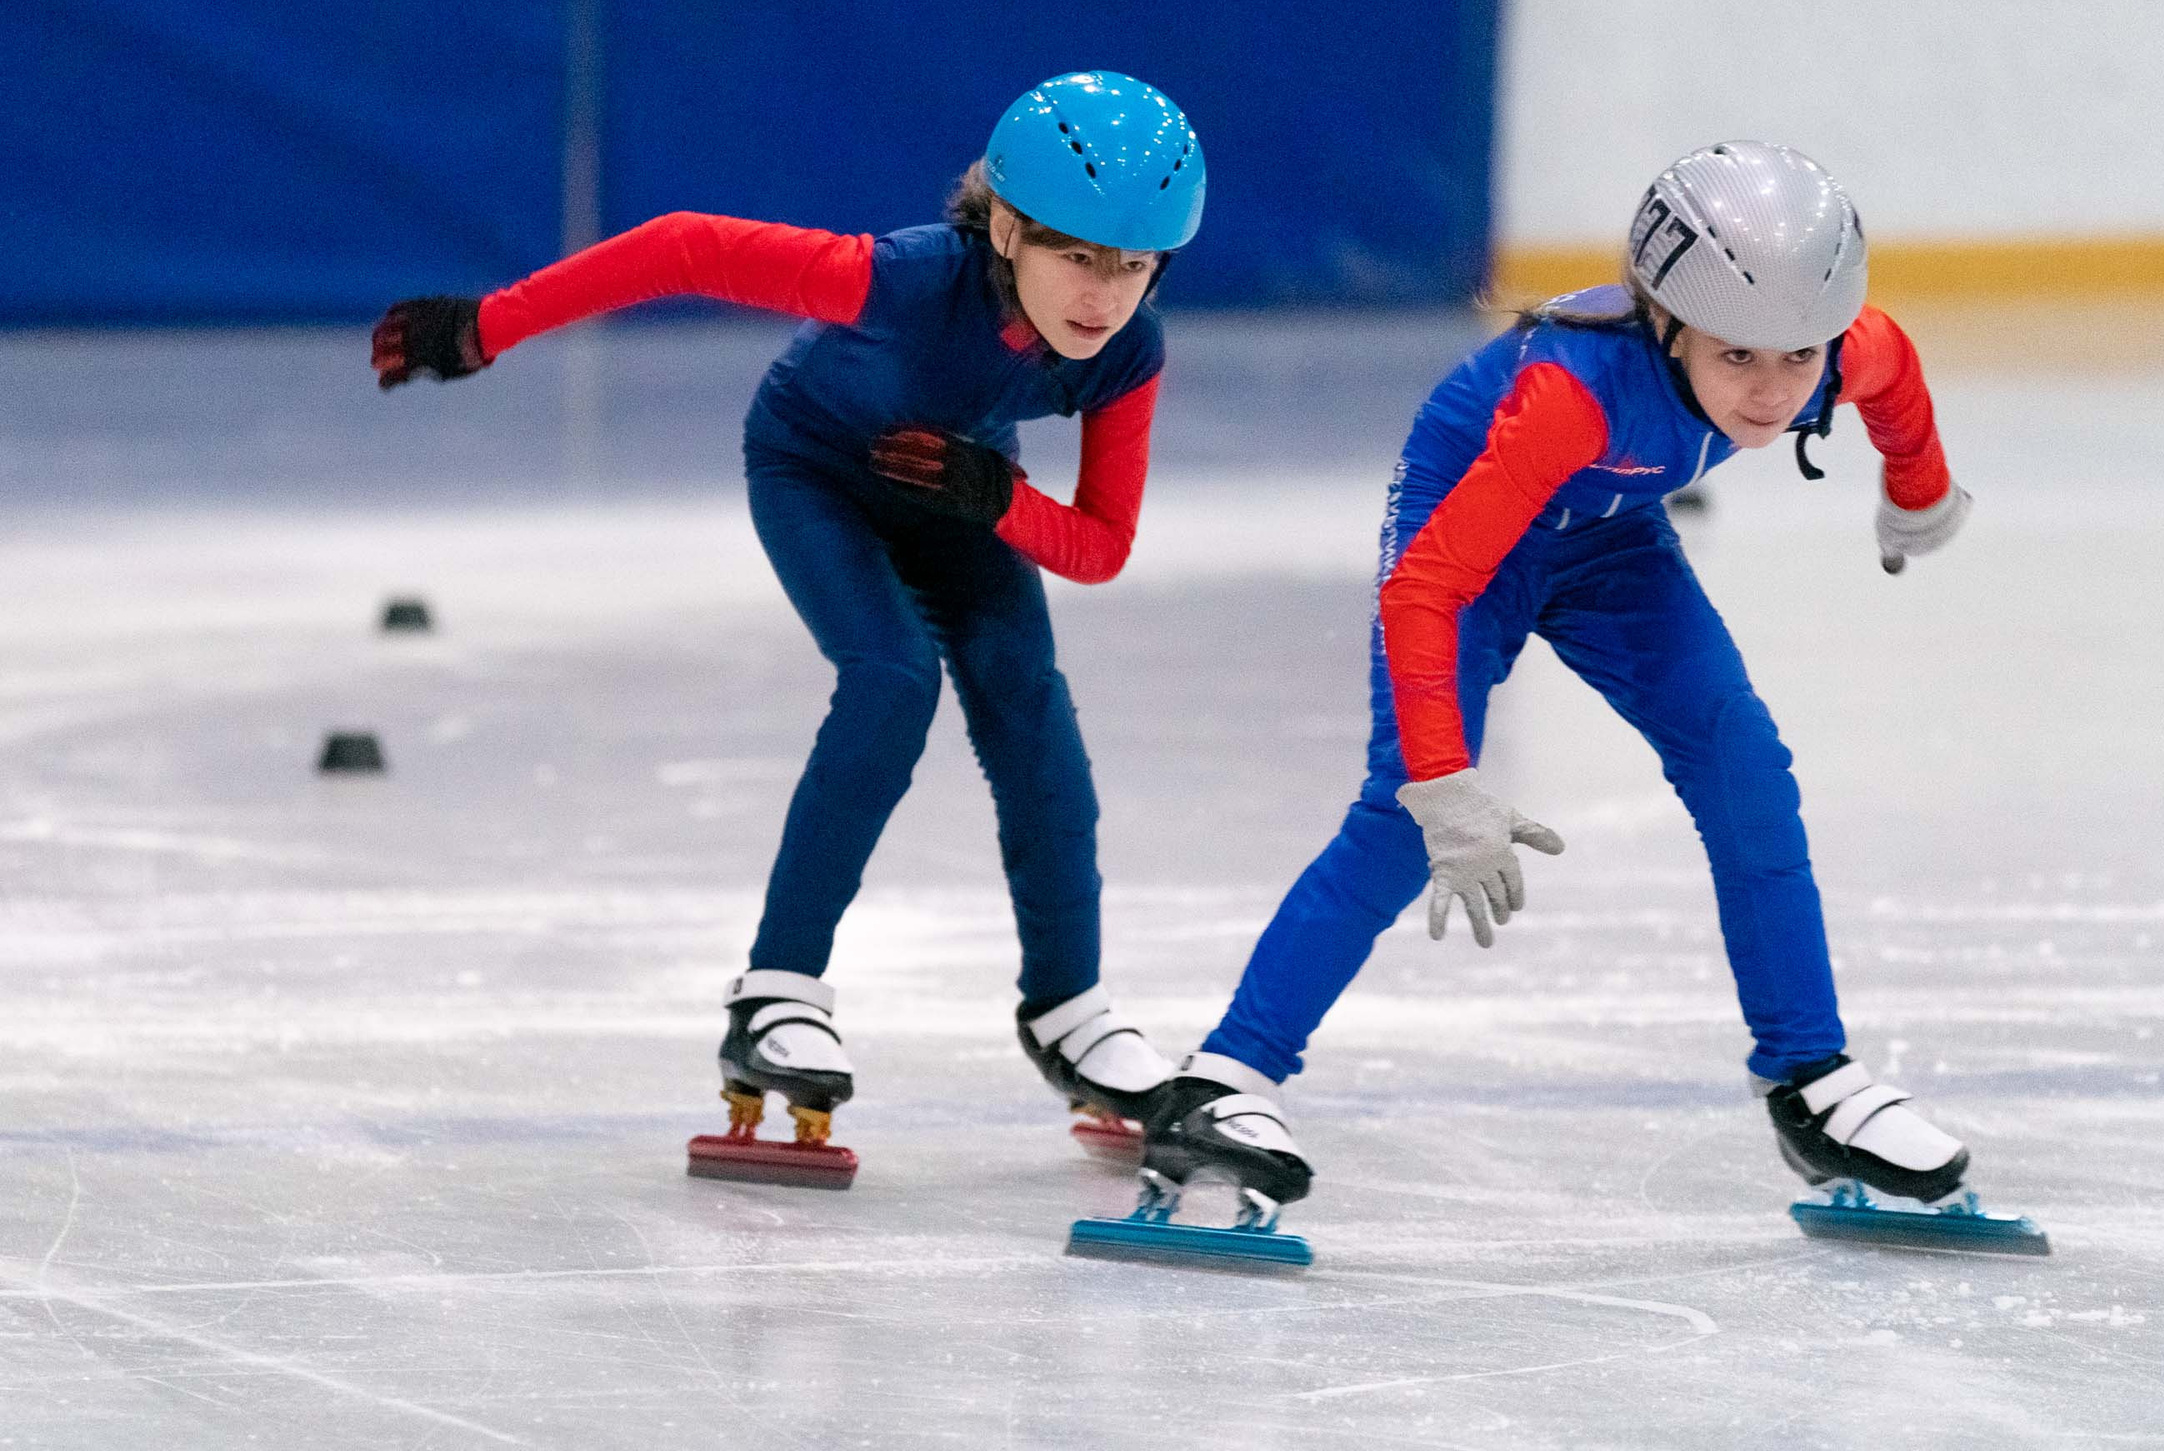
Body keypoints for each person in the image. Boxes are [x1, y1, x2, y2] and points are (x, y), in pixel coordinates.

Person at [369, 72, 1201, 1164]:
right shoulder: (901, 280)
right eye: (1077, 258)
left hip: (960, 490)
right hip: (817, 471)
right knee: (891, 679)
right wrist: (490, 322)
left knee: (1028, 708)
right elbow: (681, 245)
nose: (1103, 296)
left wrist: (997, 500)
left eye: (1132, 266)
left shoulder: (1127, 356)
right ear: (1005, 226)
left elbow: (1099, 546)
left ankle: (1068, 1013)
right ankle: (776, 993)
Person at [1146, 142, 1978, 1213]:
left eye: (1799, 358)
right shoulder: (1570, 397)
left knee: (1744, 765)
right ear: (1666, 322)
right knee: (1401, 817)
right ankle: (1222, 1079)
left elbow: (1893, 371)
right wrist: (1443, 781)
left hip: (1606, 537)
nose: (1773, 393)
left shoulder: (1822, 348)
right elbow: (1427, 591)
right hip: (1471, 543)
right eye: (1738, 360)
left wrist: (1919, 494)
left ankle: (1809, 1076)